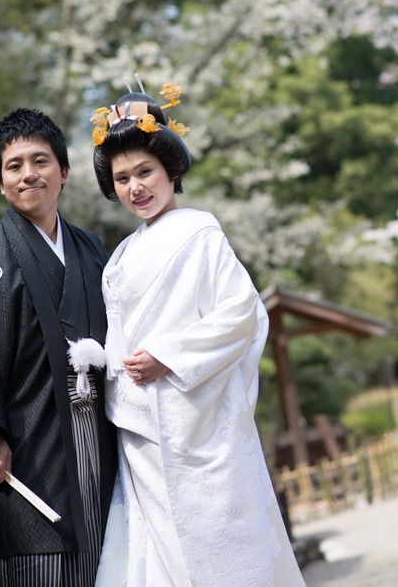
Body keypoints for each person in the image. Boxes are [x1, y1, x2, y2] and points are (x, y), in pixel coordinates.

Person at [89, 87, 305, 586]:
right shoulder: (120, 255)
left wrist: (167, 355)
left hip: (198, 419)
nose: (135, 187)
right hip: (141, 424)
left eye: (144, 172)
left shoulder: (200, 233)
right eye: (122, 178)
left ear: (171, 171)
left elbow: (241, 313)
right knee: (159, 549)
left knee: (220, 543)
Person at [0, 108, 117, 586]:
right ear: (1, 183)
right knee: (38, 564)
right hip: (25, 444)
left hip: (98, 435)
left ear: (64, 173)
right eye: (14, 166)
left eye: (41, 161)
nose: (28, 174)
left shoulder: (92, 248)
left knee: (107, 557)